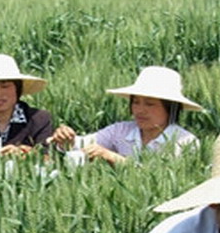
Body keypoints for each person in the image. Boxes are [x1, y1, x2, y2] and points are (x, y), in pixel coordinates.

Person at [49, 66, 202, 165]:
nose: (140, 110)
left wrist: (114, 158)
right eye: (136, 102)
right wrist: (67, 139)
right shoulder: (121, 130)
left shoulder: (185, 142)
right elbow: (84, 144)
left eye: (150, 104)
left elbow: (163, 178)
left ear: (171, 108)